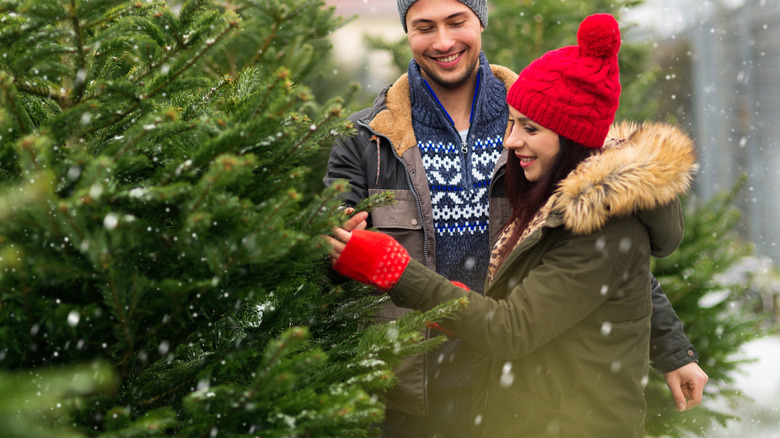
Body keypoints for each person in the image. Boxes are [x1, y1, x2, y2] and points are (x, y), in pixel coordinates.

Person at [324, 1, 707, 436]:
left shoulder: (539, 115)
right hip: (413, 392)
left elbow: (599, 248)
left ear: (480, 20)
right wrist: (335, 245)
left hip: (512, 385)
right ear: (406, 31)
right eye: (424, 26)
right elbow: (320, 259)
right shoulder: (367, 140)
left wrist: (672, 349)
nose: (443, 41)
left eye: (457, 21)